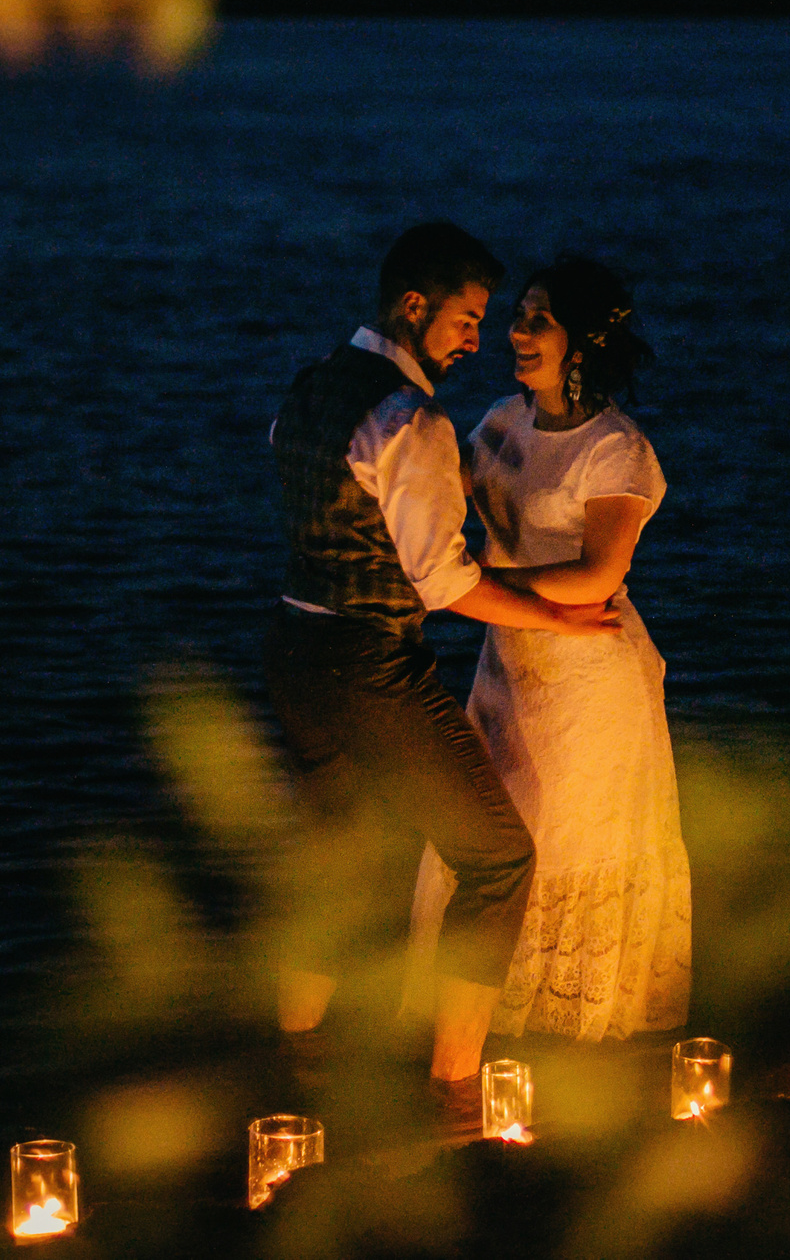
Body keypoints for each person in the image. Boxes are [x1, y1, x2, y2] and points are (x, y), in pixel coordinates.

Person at [263, 222, 619, 1117]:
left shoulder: (308, 390)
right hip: (367, 663)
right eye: (466, 317)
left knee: (336, 852)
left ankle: (293, 1062)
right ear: (414, 306)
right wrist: (556, 615)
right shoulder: (409, 419)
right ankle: (456, 1087)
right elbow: (445, 580)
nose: (475, 337)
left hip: (291, 650)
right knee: (497, 858)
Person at [406, 257, 691, 1042]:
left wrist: (471, 575)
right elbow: (439, 485)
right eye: (519, 315)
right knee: (487, 840)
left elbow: (600, 572)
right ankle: (472, 1031)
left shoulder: (616, 450)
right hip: (507, 669)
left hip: (588, 683)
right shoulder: (502, 420)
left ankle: (565, 1040)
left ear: (583, 340)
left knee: (562, 847)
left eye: (539, 318)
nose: (517, 330)